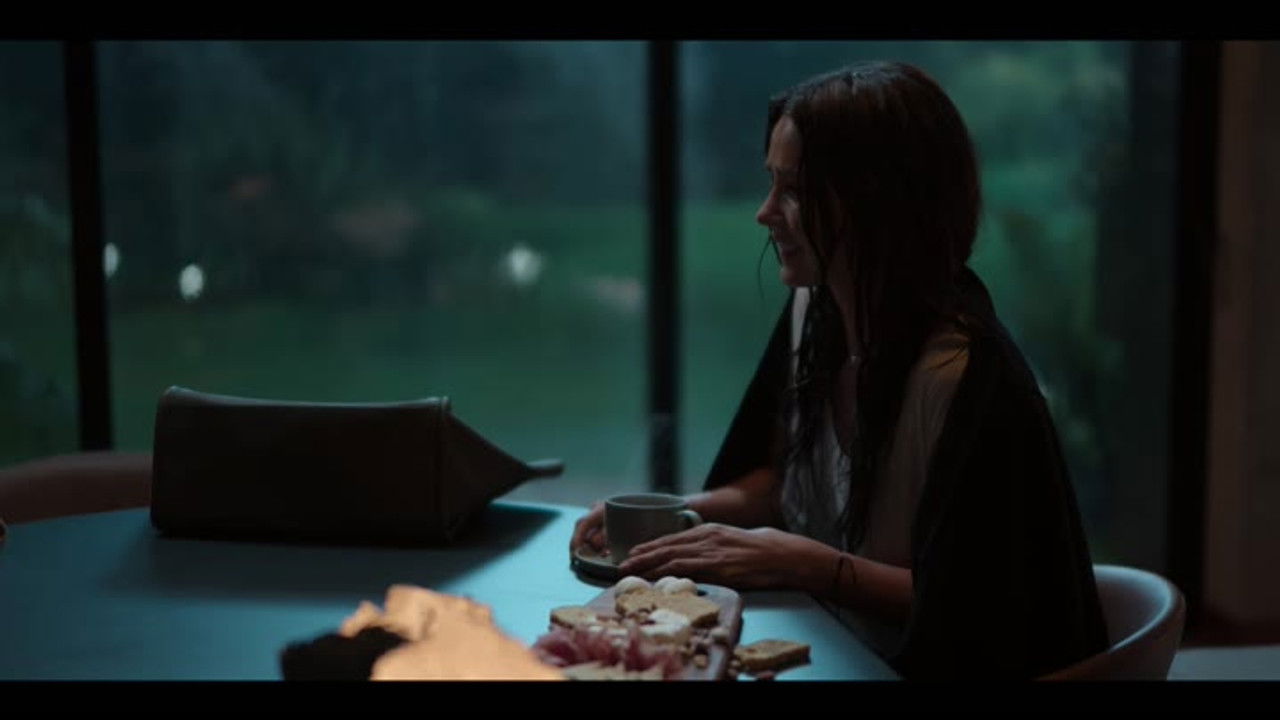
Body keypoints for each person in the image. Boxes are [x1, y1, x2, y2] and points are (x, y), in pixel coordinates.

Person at [570, 61, 1108, 679]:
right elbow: (791, 486)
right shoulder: (816, 312)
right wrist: (673, 517)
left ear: (878, 201)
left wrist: (807, 564)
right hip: (835, 651)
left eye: (795, 191)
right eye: (772, 184)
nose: (765, 212)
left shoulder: (964, 377)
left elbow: (977, 609)